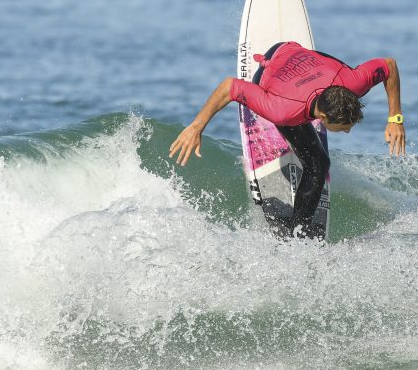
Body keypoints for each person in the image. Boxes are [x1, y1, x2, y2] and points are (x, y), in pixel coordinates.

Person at [169, 41, 405, 237]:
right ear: (322, 116)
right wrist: (196, 127)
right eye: (343, 127)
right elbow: (230, 87)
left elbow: (389, 66)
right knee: (318, 164)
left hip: (304, 56)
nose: (348, 132)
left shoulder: (353, 81)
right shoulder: (281, 108)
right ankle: (297, 232)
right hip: (277, 67)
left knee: (316, 158)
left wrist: (395, 118)